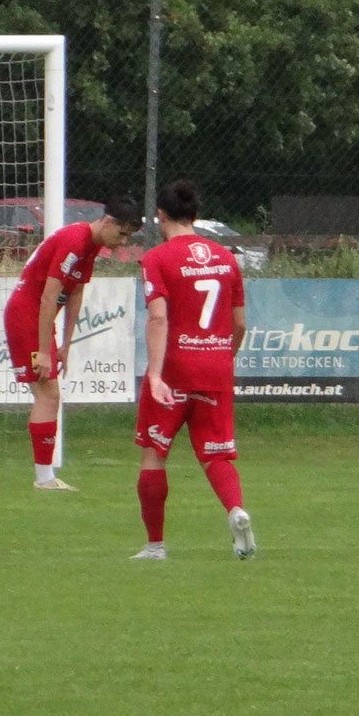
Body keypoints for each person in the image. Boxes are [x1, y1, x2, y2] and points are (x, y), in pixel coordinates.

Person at [131, 179, 254, 560]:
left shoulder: (157, 258)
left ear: (160, 216)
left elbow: (158, 318)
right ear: (196, 216)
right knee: (217, 454)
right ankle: (236, 511)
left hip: (173, 370)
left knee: (154, 452)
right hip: (215, 367)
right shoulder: (226, 258)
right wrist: (222, 358)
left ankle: (155, 546)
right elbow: (240, 324)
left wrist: (155, 375)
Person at [1, 193, 143, 491]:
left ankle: (46, 477)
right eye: (121, 234)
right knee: (48, 394)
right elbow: (49, 297)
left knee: (49, 395)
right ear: (108, 221)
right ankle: (44, 479)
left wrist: (66, 343)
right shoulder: (74, 241)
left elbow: (75, 293)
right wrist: (43, 352)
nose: (122, 242)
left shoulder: (92, 246)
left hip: (38, 318)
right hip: (27, 317)